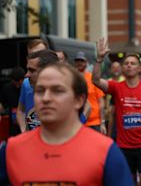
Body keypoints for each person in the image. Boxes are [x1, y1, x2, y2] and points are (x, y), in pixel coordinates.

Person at [0, 62, 133, 185]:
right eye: (40, 91)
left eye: (57, 91)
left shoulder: (106, 151)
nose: (46, 98)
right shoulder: (11, 150)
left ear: (79, 100)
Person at [92, 39, 141, 186]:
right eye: (126, 63)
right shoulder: (116, 87)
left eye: (133, 63)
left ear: (139, 68)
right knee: (128, 182)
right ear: (123, 68)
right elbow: (96, 80)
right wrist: (99, 60)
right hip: (124, 145)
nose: (129, 65)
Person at [16, 39, 48, 132]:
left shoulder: (62, 81)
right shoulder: (26, 83)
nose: (34, 58)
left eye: (39, 54)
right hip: (31, 140)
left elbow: (86, 107)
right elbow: (20, 110)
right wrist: (23, 130)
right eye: (31, 55)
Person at [74, 51, 106, 133]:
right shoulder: (70, 78)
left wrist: (102, 123)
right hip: (76, 123)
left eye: (82, 61)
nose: (79, 63)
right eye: (77, 61)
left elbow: (101, 102)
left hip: (94, 123)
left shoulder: (92, 78)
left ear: (86, 63)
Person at [0, 67, 25, 137]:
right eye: (15, 83)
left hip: (26, 120)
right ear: (12, 80)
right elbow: (3, 103)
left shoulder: (27, 87)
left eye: (20, 84)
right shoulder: (6, 88)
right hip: (13, 124)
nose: (17, 86)